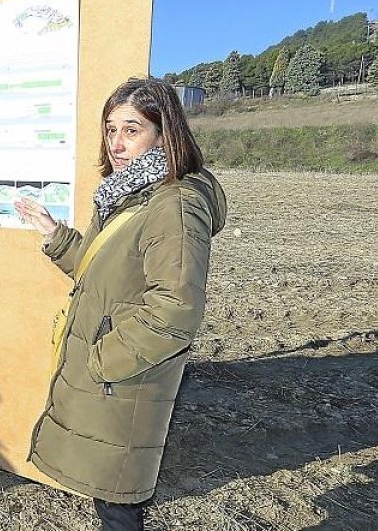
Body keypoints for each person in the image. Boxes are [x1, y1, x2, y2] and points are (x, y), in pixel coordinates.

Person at [14, 78, 227, 531]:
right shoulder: (127, 194)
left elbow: (176, 307)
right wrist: (55, 235)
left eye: (131, 130)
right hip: (113, 375)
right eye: (111, 130)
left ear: (164, 132)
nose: (116, 143)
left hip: (125, 376)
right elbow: (99, 271)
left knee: (119, 501)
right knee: (109, 489)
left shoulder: (175, 204)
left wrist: (103, 358)